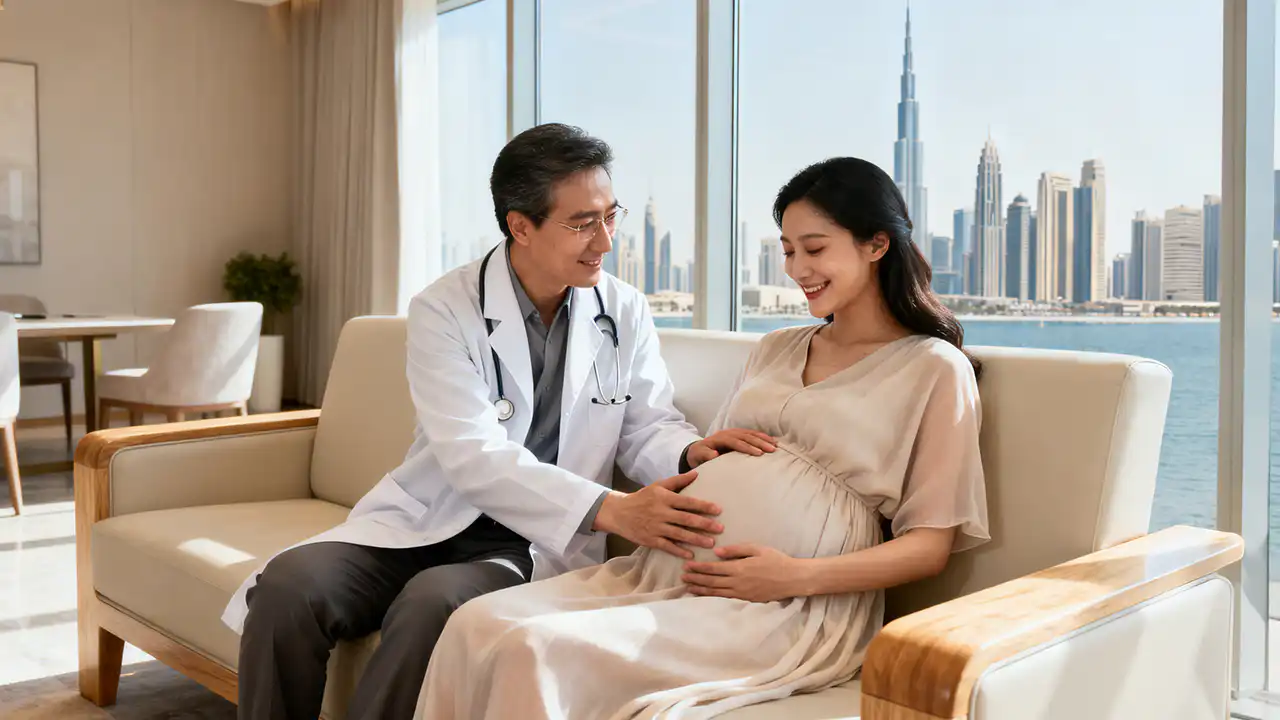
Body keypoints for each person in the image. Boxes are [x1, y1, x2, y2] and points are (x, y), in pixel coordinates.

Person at [223, 123, 776, 720]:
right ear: (521, 226)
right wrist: (614, 510)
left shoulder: (623, 309)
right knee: (287, 586)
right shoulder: (444, 308)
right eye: (583, 222)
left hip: (530, 540)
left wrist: (687, 454)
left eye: (610, 216)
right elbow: (471, 454)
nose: (606, 240)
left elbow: (644, 423)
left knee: (433, 604)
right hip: (429, 517)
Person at [413, 157, 991, 720]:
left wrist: (793, 577)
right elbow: (711, 458)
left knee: (529, 649)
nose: (796, 269)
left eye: (814, 249)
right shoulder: (776, 347)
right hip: (662, 570)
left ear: (876, 244)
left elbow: (929, 546)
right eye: (788, 250)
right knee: (473, 624)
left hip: (787, 604)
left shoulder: (934, 369)